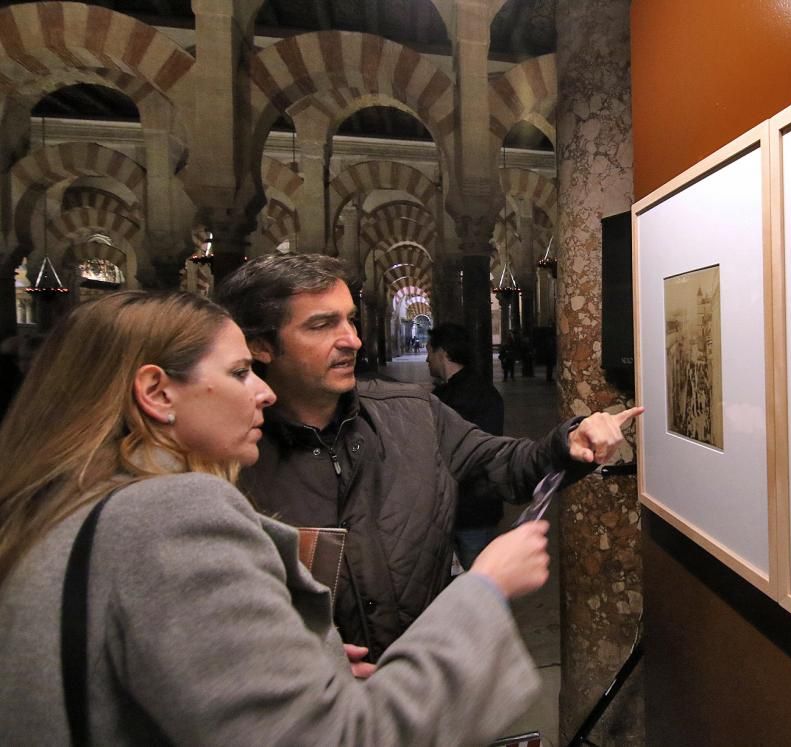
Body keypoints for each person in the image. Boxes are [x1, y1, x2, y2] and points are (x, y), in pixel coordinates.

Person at [0, 291, 552, 745]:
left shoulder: (60, 506)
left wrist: (298, 665)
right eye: (240, 372)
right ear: (156, 391)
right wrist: (483, 589)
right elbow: (346, 739)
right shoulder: (169, 515)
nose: (263, 392)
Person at [214, 254, 642, 661]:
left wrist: (568, 443)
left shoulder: (412, 411)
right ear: (261, 346)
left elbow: (504, 464)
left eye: (351, 319)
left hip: (427, 682)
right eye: (322, 325)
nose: (353, 340)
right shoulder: (224, 463)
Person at [427, 322, 505, 568]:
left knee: (474, 584)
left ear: (443, 353)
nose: (427, 360)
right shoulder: (485, 391)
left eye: (430, 352)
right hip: (479, 508)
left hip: (465, 510)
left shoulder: (446, 401)